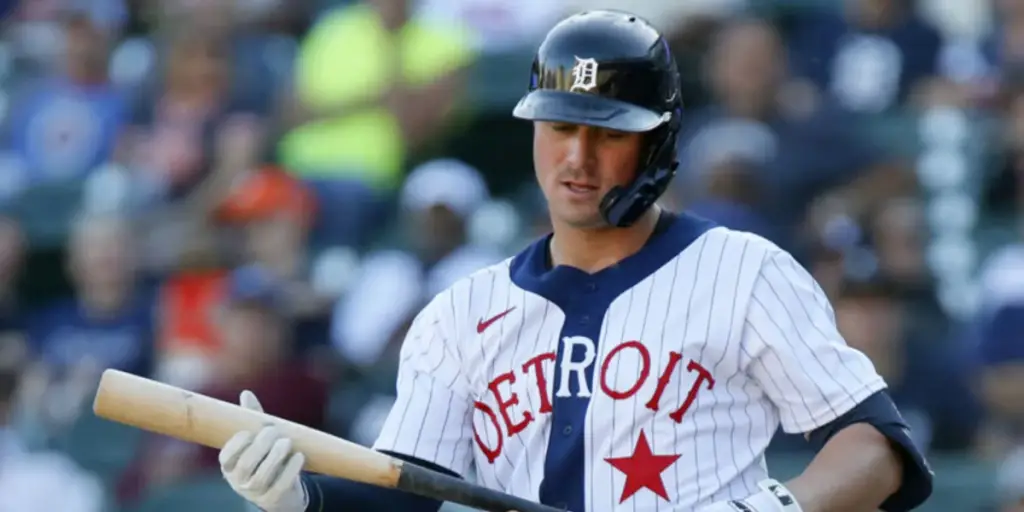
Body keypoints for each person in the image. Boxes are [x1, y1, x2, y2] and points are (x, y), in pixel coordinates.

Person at [217, 10, 934, 512]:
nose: (577, 159)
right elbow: (408, 497)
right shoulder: (461, 314)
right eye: (558, 127)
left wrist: (769, 509)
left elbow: (879, 452)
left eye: (608, 133)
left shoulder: (745, 272)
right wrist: (296, 498)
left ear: (657, 145)